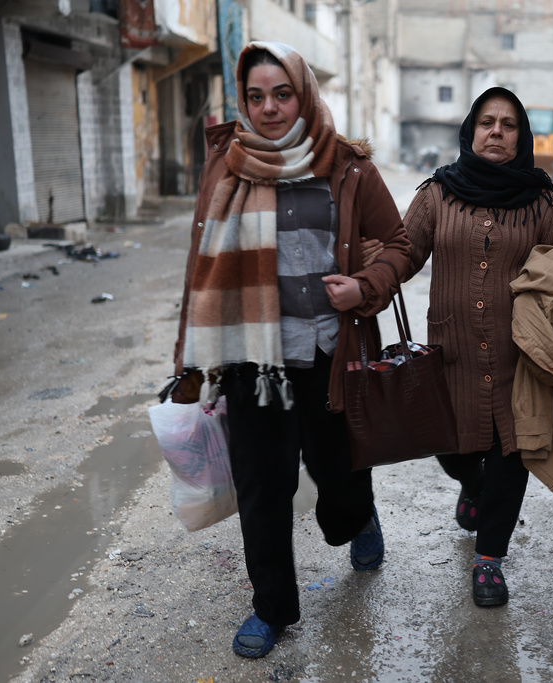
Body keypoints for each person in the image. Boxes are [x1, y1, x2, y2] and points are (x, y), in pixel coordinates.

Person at [169, 41, 410, 657]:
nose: (270, 108)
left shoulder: (347, 165)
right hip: (254, 356)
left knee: (340, 470)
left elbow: (399, 242)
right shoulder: (227, 166)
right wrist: (190, 357)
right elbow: (201, 265)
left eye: (282, 93)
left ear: (303, 93)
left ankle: (358, 517)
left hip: (332, 354)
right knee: (262, 484)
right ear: (243, 101)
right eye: (256, 96)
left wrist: (365, 285)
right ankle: (271, 606)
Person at [400, 87, 553, 606]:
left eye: (508, 124)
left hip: (519, 360)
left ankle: (489, 560)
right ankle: (470, 485)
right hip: (451, 355)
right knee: (453, 449)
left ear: (521, 137)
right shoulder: (437, 193)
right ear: (471, 131)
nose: (496, 131)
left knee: (512, 454)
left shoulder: (540, 199)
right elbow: (403, 252)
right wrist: (365, 277)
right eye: (487, 122)